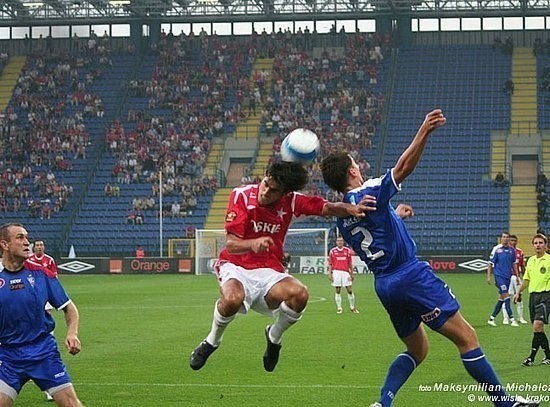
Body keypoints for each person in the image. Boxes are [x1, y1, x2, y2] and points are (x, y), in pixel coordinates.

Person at [320, 109, 538, 407]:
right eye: (356, 164)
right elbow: (403, 167)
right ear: (351, 172)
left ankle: (382, 403)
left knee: (418, 350)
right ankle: (505, 403)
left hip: (385, 284)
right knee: (467, 337)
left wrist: (394, 216)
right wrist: (424, 130)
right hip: (410, 276)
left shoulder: (343, 216)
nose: (359, 167)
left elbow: (372, 234)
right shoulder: (367, 190)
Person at [189, 161, 375, 372]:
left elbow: (327, 207)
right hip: (236, 265)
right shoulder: (241, 195)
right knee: (232, 299)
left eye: (273, 190)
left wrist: (351, 208)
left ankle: (274, 336)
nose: (265, 191)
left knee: (300, 295)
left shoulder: (292, 202)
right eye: (266, 183)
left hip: (270, 270)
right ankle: (212, 341)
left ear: (285, 193)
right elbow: (231, 244)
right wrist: (253, 243)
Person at [0, 223, 84, 407]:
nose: (27, 243)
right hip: (7, 356)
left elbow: (69, 308)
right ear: (5, 245)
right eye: (20, 238)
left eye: (27, 238)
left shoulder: (41, 273)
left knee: (71, 404)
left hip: (43, 352)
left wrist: (72, 333)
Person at [27, 239, 59, 402]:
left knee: (45, 318)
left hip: (44, 295)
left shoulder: (49, 260)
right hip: (28, 298)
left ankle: (47, 334)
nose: (39, 247)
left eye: (41, 245)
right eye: (37, 245)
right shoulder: (27, 261)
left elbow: (54, 278)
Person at [514, 233, 550, 367]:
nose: (538, 245)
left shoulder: (549, 260)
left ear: (545, 246)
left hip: (546, 296)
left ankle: (531, 357)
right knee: (537, 330)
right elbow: (527, 279)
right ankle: (548, 355)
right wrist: (518, 292)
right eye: (535, 243)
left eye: (541, 243)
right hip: (533, 297)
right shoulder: (531, 261)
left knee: (537, 325)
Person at [487, 232, 520, 327]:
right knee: (507, 296)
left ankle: (491, 318)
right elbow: (490, 263)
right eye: (503, 237)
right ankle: (512, 319)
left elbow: (514, 264)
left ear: (509, 239)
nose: (505, 239)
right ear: (501, 238)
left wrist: (517, 276)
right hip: (499, 276)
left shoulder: (512, 251)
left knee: (501, 299)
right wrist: (489, 276)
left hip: (507, 277)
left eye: (507, 237)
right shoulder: (497, 250)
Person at [328, 236, 358, 314]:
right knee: (338, 290)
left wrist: (352, 273)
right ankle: (339, 308)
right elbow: (330, 264)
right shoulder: (332, 251)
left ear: (343, 242)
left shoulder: (347, 251)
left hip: (346, 272)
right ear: (336, 242)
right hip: (336, 272)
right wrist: (330, 274)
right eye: (338, 241)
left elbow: (350, 263)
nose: (340, 242)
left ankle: (352, 307)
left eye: (341, 241)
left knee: (350, 290)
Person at [503, 234, 528, 324]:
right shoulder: (504, 251)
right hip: (507, 277)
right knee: (506, 297)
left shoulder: (519, 252)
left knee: (519, 296)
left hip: (517, 277)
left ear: (516, 242)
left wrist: (524, 277)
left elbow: (522, 266)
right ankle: (506, 318)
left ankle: (520, 317)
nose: (513, 242)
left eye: (514, 240)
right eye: (511, 240)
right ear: (509, 241)